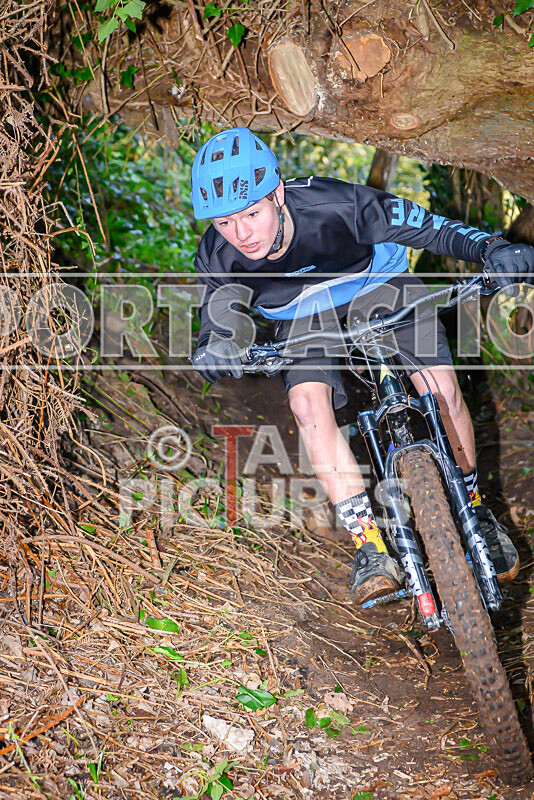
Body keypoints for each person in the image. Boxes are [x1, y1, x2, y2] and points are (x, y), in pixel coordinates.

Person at [189, 127, 534, 605]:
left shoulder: (335, 204)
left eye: (251, 214)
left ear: (278, 195)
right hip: (301, 315)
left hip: (380, 284)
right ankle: (369, 545)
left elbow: (429, 226)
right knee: (307, 404)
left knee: (441, 388)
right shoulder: (218, 250)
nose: (240, 234)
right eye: (224, 222)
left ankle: (475, 509)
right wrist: (214, 345)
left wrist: (490, 249)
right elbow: (216, 315)